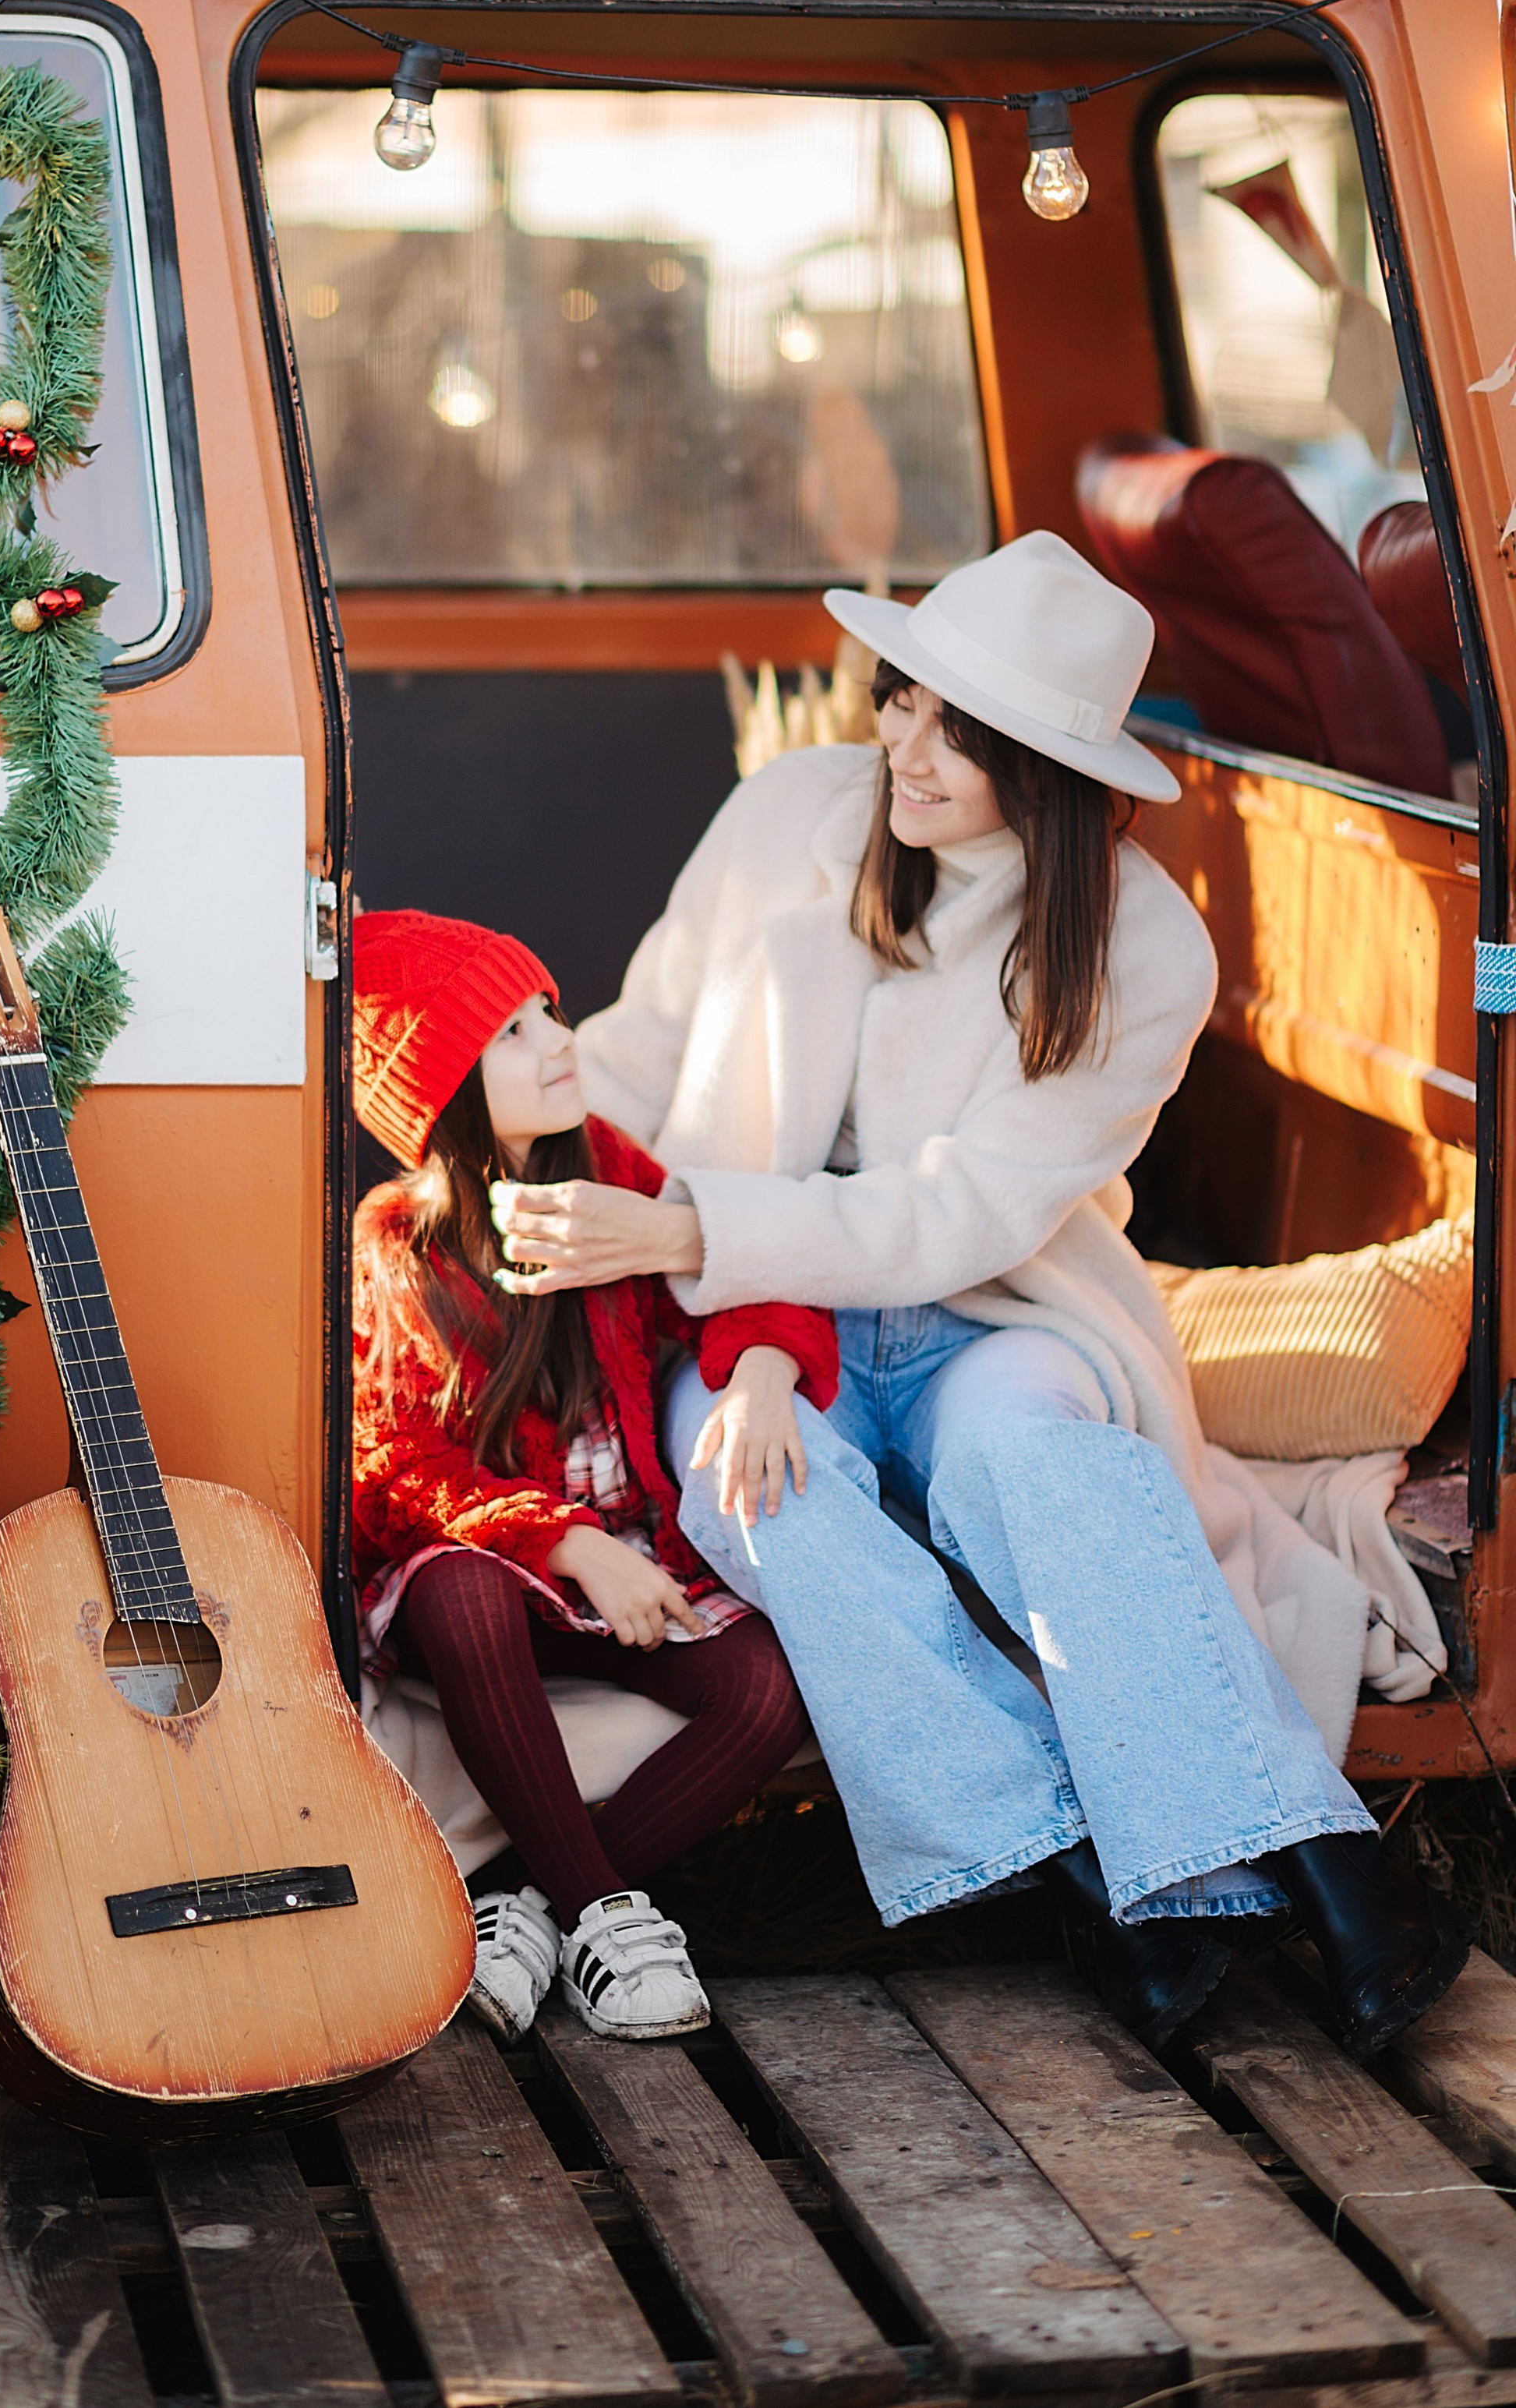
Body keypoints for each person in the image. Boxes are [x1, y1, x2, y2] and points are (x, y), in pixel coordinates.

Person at [490, 531, 1470, 2060]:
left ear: (1050, 763)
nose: (904, 745)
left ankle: (1339, 1879)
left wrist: (683, 1226)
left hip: (991, 1311)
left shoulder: (1141, 944)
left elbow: (960, 1214)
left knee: (1046, 1468)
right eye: (900, 700)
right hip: (745, 1320)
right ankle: (1100, 1872)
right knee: (765, 1507)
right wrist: (518, 1163)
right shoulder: (784, 821)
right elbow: (640, 1042)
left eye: (961, 729)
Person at [351, 908, 835, 2042]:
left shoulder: (609, 1171)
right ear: (447, 1091)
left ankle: (531, 1905)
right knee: (461, 1592)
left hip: (630, 1557)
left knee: (768, 1688)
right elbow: (392, 1465)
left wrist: (762, 1373)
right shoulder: (398, 1243)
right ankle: (614, 1923)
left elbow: (737, 1275)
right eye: (511, 1034)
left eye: (548, 1012)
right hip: (510, 1566)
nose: (557, 1040)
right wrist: (566, 1545)